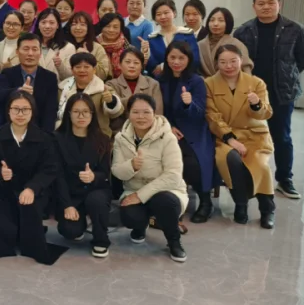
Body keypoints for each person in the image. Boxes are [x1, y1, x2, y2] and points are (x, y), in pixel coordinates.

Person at [233, 0, 304, 200]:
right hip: (251, 93)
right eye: (261, 3)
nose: (266, 7)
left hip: (281, 92)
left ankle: (284, 179)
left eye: (271, 2)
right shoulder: (243, 31)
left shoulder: (295, 29)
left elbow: (302, 60)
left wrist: (286, 77)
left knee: (282, 136)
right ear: (254, 6)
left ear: (279, 4)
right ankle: (247, 177)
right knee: (247, 135)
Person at [0, 91, 61, 263]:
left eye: (25, 109)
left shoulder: (44, 138)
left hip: (32, 190)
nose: (20, 114)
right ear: (8, 111)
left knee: (29, 215)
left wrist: (32, 188)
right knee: (2, 233)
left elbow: (49, 169)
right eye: (16, 109)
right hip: (3, 189)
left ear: (32, 111)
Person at [111, 94, 188, 262]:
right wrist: (132, 166)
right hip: (133, 189)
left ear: (155, 113)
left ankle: (174, 241)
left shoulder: (167, 137)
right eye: (135, 112)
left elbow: (173, 176)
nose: (141, 117)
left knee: (165, 202)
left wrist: (140, 196)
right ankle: (140, 227)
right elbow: (116, 171)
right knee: (130, 216)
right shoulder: (120, 138)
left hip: (167, 190)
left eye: (146, 112)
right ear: (128, 114)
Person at [205, 44, 276, 228]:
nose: (228, 66)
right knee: (231, 159)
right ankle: (241, 204)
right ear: (216, 63)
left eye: (233, 61)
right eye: (223, 62)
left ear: (241, 61)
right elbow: (212, 116)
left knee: (260, 165)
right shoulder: (209, 84)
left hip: (254, 135)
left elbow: (266, 113)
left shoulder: (256, 83)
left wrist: (256, 105)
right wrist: (230, 139)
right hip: (224, 136)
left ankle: (267, 209)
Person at [157, 41, 216, 223]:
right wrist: (169, 126)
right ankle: (171, 201)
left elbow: (200, 113)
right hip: (167, 129)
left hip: (193, 130)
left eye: (181, 58)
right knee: (166, 159)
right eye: (172, 57)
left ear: (189, 59)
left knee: (192, 162)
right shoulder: (160, 80)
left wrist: (189, 103)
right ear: (166, 58)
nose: (176, 62)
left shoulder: (196, 81)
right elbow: (158, 110)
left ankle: (205, 201)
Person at [54, 93, 112, 258]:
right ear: (68, 113)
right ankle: (80, 222)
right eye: (76, 111)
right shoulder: (57, 139)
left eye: (86, 112)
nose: (81, 116)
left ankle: (101, 239)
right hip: (70, 193)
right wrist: (67, 205)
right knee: (69, 230)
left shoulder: (103, 139)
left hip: (95, 190)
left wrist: (94, 177)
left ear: (92, 114)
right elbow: (57, 175)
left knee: (96, 201)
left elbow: (105, 173)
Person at [1, 33, 59, 133]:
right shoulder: (7, 73)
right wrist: (18, 91)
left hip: (39, 131)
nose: (30, 54)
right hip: (11, 129)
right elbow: (1, 97)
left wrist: (46, 136)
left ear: (40, 53)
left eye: (35, 49)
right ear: (17, 52)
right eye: (26, 49)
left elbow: (50, 111)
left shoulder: (50, 77)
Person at [55, 53, 123, 137]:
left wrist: (111, 101)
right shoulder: (62, 89)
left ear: (94, 70)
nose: (82, 70)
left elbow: (116, 113)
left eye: (86, 67)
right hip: (66, 136)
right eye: (78, 67)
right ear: (72, 70)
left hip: (97, 136)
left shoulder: (103, 89)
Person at [106, 47, 163, 135]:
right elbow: (114, 112)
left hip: (149, 133)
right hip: (120, 133)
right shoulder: (111, 85)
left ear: (142, 66)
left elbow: (158, 113)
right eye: (128, 62)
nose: (132, 66)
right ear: (120, 64)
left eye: (136, 63)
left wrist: (123, 101)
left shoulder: (153, 84)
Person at [145, 0, 200, 77]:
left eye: (166, 13)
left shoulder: (187, 34)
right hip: (162, 80)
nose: (163, 17)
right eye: (158, 14)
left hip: (185, 78)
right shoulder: (152, 38)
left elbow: (195, 60)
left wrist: (163, 66)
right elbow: (152, 67)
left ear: (174, 13)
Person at [198, 7, 253, 76]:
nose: (215, 24)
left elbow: (246, 72)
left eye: (221, 20)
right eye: (212, 20)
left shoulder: (237, 45)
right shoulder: (200, 45)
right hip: (205, 82)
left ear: (228, 23)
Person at [67, 11, 111, 80]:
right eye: (74, 24)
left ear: (89, 28)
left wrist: (89, 57)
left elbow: (103, 74)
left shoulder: (97, 47)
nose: (78, 28)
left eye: (82, 24)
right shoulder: (65, 46)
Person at [35, 8, 76, 80]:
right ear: (38, 25)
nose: (47, 26)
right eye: (43, 22)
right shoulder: (31, 45)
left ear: (57, 25)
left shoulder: (68, 47)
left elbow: (70, 78)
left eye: (51, 23)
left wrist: (60, 65)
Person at [96, 13, 131, 80]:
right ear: (102, 27)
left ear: (121, 29)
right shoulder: (93, 47)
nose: (111, 30)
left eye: (115, 27)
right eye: (107, 26)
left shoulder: (128, 48)